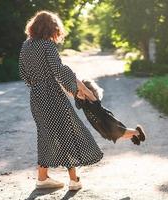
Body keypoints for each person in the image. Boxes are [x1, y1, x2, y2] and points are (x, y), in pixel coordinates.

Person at [18, 10, 142, 191]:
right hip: (51, 95)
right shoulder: (47, 45)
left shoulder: (26, 46)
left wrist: (40, 84)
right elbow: (60, 70)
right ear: (51, 28)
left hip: (36, 96)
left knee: (46, 134)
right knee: (68, 133)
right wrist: (79, 89)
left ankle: (42, 178)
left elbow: (23, 73)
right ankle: (74, 180)